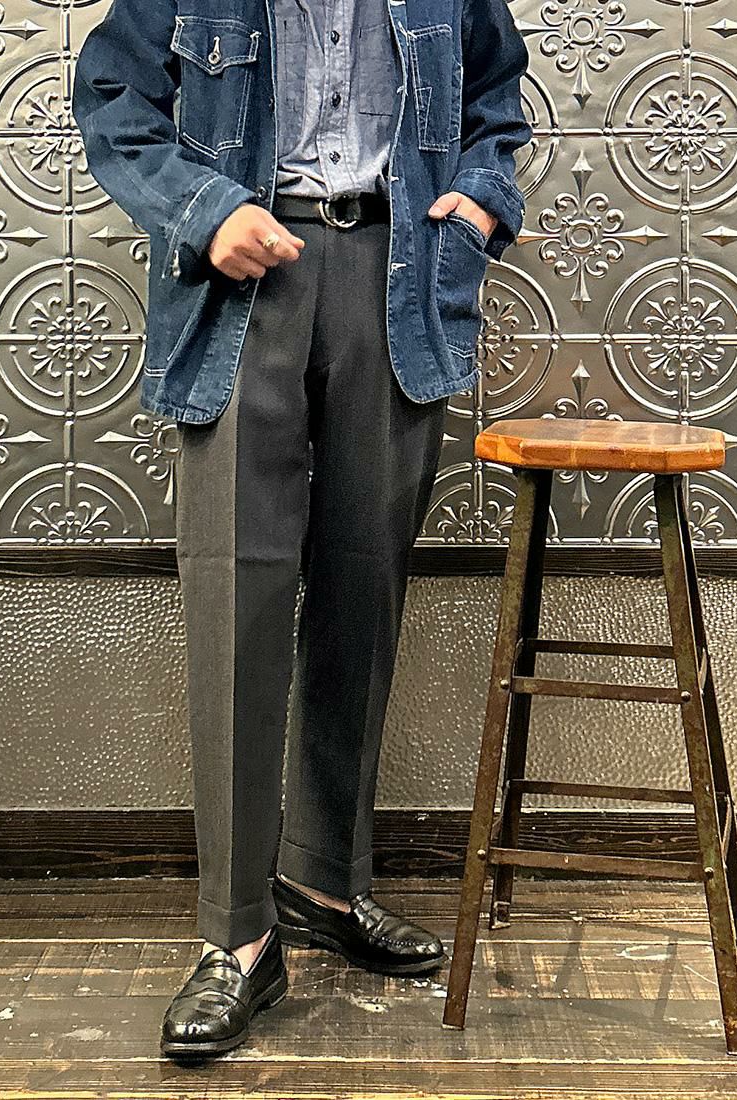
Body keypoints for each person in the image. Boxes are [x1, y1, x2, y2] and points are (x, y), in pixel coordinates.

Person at [73, 0, 532, 1059]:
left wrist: (478, 201)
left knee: (364, 589)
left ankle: (326, 880)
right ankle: (237, 936)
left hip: (397, 277)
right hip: (240, 285)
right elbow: (111, 94)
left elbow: (496, 95)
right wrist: (203, 211)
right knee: (237, 597)